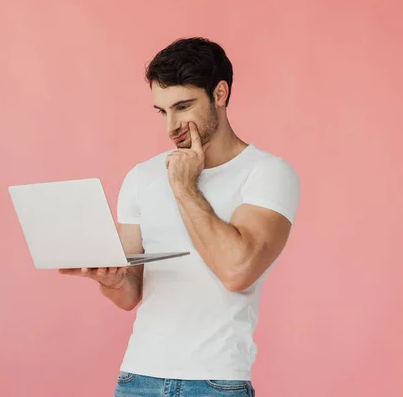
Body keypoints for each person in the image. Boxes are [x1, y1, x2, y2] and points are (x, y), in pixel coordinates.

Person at [60, 37, 300, 397]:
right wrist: (110, 280)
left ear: (220, 93)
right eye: (162, 111)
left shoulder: (267, 173)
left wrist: (185, 187)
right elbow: (130, 293)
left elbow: (237, 271)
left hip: (215, 382)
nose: (171, 125)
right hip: (136, 378)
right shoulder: (141, 176)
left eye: (183, 106)